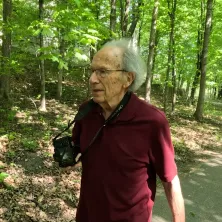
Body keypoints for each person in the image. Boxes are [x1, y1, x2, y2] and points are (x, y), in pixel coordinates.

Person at [72, 39, 185, 222]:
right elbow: (76, 150)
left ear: (128, 78)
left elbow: (170, 180)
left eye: (103, 72)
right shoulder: (86, 112)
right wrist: (68, 155)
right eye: (92, 71)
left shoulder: (152, 122)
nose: (92, 79)